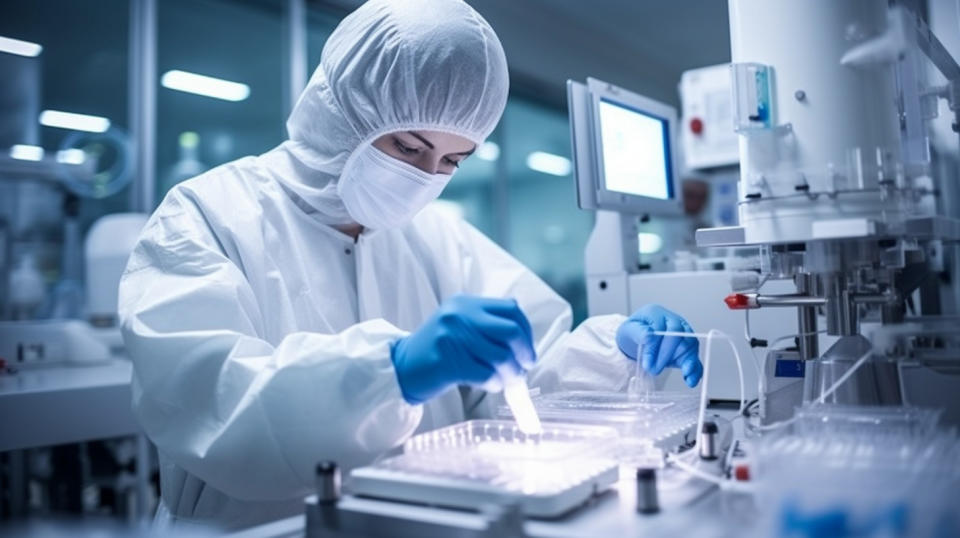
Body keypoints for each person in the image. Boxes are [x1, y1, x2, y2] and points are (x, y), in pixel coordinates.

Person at [118, 0, 702, 531]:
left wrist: (610, 352)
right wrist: (391, 369)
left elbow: (522, 383)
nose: (425, 177)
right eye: (407, 146)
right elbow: (208, 404)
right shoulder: (205, 216)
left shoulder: (437, 236)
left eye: (452, 159)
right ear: (341, 106)